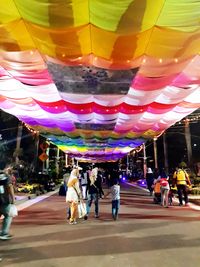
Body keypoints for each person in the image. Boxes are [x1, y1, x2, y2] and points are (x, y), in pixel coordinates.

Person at [0, 166, 15, 240]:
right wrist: (13, 199)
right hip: (4, 200)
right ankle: (4, 233)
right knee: (8, 215)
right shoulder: (7, 177)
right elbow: (10, 187)